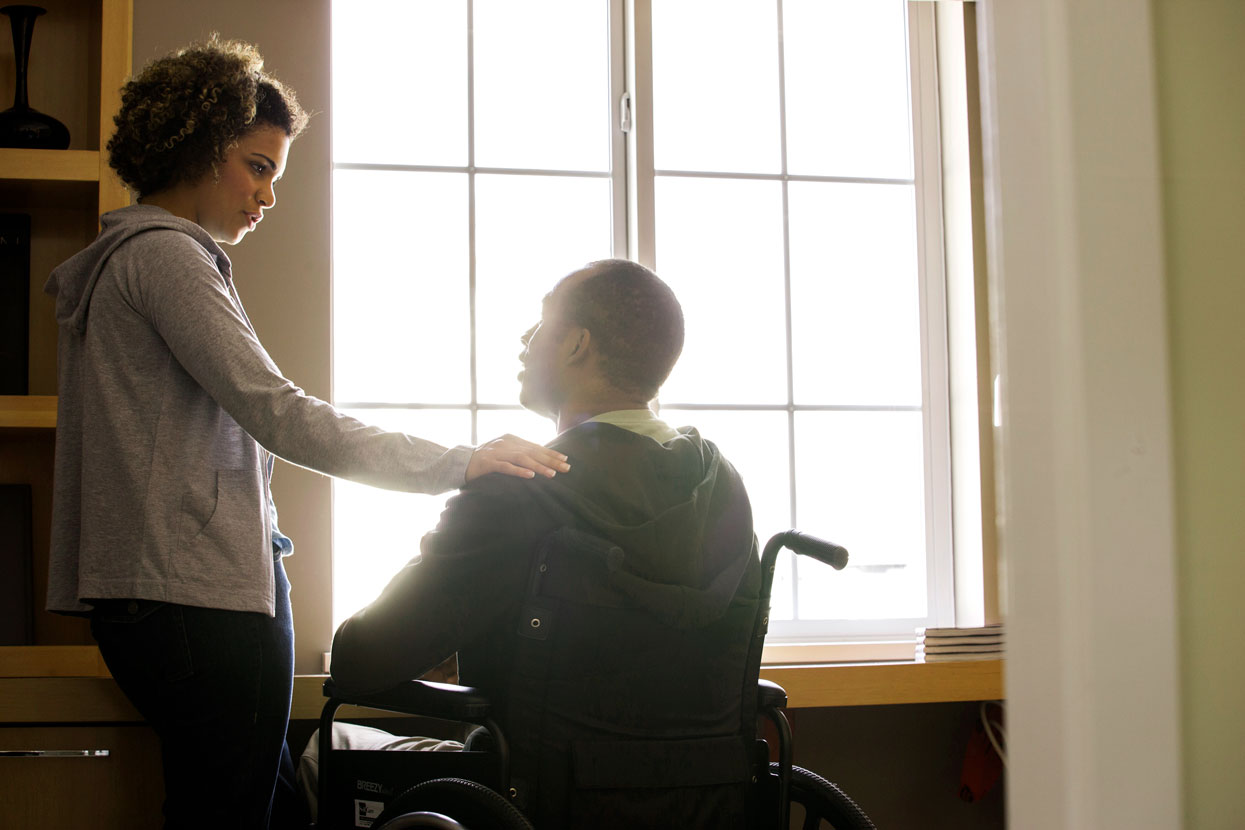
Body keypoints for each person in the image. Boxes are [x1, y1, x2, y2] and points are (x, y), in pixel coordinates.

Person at [42, 36, 567, 830]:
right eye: (257, 167)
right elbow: (281, 413)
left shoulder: (122, 260)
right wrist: (460, 463)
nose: (268, 196)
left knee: (267, 809)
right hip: (200, 604)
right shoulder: (170, 259)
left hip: (159, 601)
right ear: (202, 146)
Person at [329, 259, 761, 827]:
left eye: (540, 323)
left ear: (578, 344)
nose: (524, 341)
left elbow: (361, 657)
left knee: (320, 751)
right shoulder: (726, 489)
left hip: (532, 801)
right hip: (705, 805)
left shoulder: (522, 485)